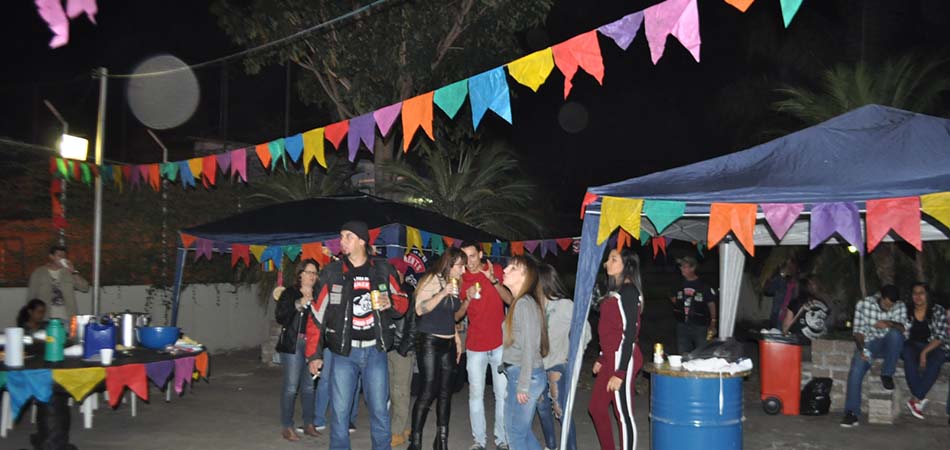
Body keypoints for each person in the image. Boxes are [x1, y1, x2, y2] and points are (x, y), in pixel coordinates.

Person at [305, 221, 409, 450]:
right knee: (340, 413)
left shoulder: (383, 269)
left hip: (375, 352)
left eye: (348, 236)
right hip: (344, 353)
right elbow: (316, 315)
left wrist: (390, 302)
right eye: (341, 236)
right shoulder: (332, 272)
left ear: (362, 240)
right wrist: (314, 354)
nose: (342, 241)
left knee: (380, 411)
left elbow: (403, 303)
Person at [457, 241, 513, 450]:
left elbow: (510, 300)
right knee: (475, 395)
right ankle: (479, 441)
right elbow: (458, 315)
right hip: (475, 346)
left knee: (502, 395)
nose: (469, 261)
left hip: (499, 344)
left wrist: (493, 280)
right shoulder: (460, 279)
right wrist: (467, 299)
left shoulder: (494, 270)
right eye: (465, 257)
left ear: (481, 254)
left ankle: (502, 440)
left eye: (472, 256)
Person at [407, 248, 465, 450]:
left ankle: (441, 441)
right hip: (429, 341)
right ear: (450, 264)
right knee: (428, 391)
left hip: (448, 342)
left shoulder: (455, 282)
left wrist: (456, 337)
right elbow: (420, 309)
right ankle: (415, 441)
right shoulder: (432, 279)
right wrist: (442, 293)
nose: (463, 270)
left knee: (446, 393)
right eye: (460, 266)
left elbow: (449, 315)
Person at [590, 248, 644, 450]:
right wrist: (602, 357)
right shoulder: (615, 291)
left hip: (624, 357)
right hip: (610, 356)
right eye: (608, 259)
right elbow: (610, 329)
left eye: (614, 259)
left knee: (623, 413)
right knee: (596, 408)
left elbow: (629, 333)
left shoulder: (629, 291)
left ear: (626, 265)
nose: (607, 263)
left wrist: (620, 372)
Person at [535, 264, 588, 450]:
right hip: (538, 365)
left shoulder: (565, 305)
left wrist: (573, 357)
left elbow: (585, 330)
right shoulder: (534, 306)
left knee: (560, 409)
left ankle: (571, 447)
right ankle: (551, 446)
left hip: (557, 363)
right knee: (542, 408)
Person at [841, 285, 908, 427]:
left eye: (892, 305)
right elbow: (858, 332)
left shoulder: (900, 306)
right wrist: (862, 349)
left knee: (896, 335)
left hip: (891, 345)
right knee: (856, 369)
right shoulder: (864, 305)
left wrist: (889, 323)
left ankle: (887, 373)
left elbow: (904, 329)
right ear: (880, 297)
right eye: (886, 304)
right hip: (870, 343)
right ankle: (851, 413)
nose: (889, 308)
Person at [500, 255, 548, 450]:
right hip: (523, 373)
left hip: (524, 375)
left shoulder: (524, 303)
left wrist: (523, 385)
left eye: (512, 268)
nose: (505, 270)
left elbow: (530, 346)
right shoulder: (520, 302)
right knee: (521, 432)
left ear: (525, 276)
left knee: (515, 435)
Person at [274, 259, 322, 441]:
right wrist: (298, 303)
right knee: (291, 387)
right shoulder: (290, 293)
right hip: (294, 343)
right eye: (309, 272)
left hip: (312, 344)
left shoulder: (319, 294)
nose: (312, 276)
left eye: (315, 273)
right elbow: (280, 316)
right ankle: (287, 426)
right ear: (300, 274)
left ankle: (309, 424)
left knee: (309, 387)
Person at [900, 282, 948, 420]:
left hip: (932, 346)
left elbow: (940, 336)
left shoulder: (937, 310)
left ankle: (916, 398)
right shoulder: (906, 310)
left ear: (927, 295)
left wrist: (924, 353)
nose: (918, 296)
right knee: (907, 353)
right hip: (911, 345)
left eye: (921, 293)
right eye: (915, 293)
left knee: (938, 357)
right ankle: (918, 398)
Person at [27, 245, 89, 320]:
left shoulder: (68, 272)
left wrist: (73, 271)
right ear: (51, 256)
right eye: (59, 256)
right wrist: (30, 316)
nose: (62, 258)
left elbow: (85, 287)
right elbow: (31, 295)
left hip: (67, 316)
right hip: (45, 316)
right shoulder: (39, 273)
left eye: (64, 256)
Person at [670, 256, 717, 354]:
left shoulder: (703, 286)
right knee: (683, 353)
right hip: (682, 325)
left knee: (702, 353)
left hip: (700, 325)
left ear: (693, 268)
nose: (681, 269)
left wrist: (713, 322)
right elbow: (673, 298)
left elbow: (711, 304)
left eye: (684, 267)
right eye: (681, 266)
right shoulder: (678, 284)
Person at [781, 277, 831, 341]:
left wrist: (799, 312)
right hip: (818, 341)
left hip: (799, 340)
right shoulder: (822, 303)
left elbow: (785, 329)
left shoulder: (795, 303)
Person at [764, 257, 799, 330]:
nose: (789, 268)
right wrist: (779, 275)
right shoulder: (780, 280)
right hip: (777, 317)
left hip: (790, 319)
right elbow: (768, 290)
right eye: (787, 266)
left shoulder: (799, 284)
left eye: (791, 266)